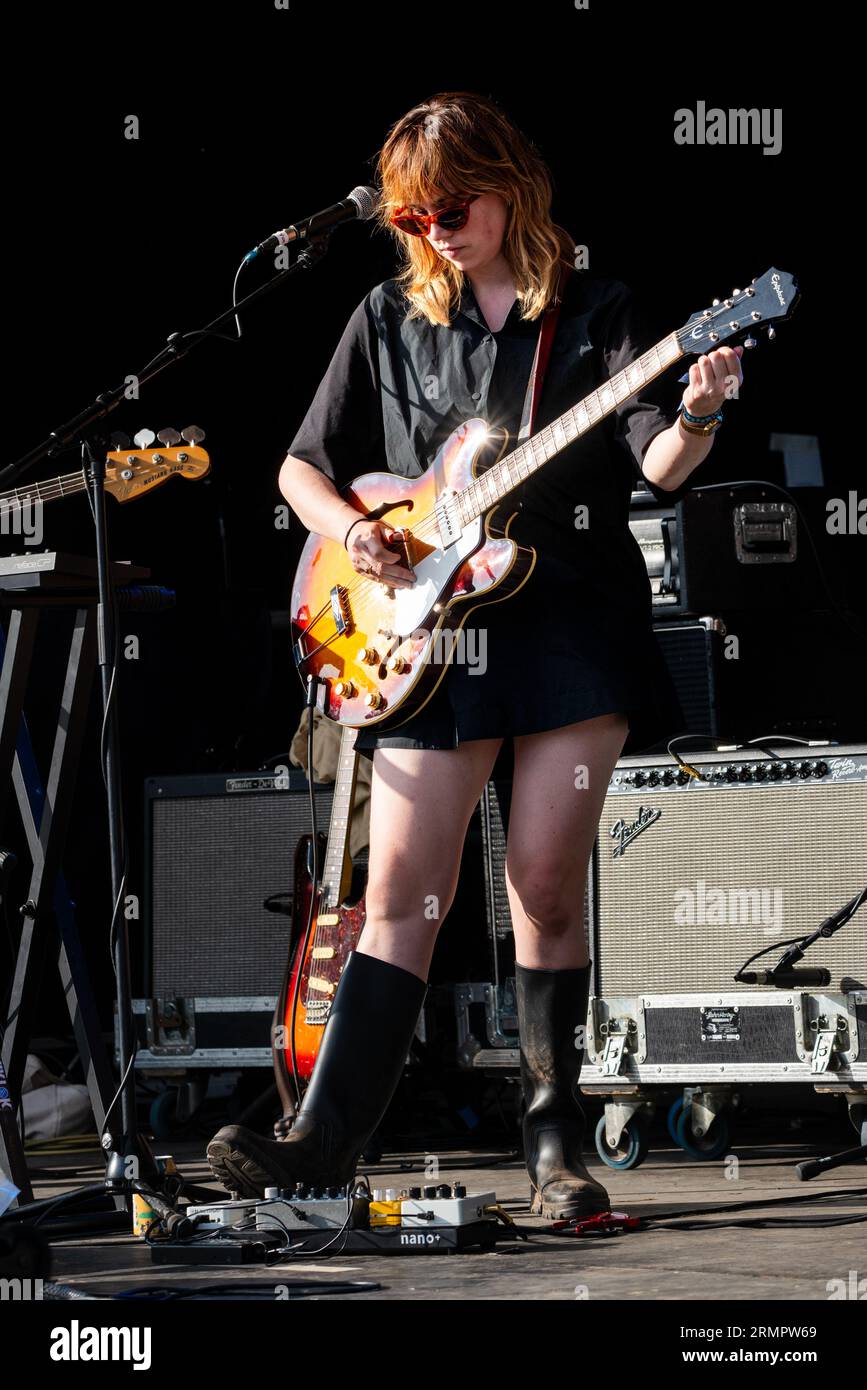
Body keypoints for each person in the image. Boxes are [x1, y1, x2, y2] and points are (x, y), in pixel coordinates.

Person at [207, 91, 743, 1219]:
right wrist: (354, 531)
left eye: (450, 207)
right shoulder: (384, 320)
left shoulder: (596, 310)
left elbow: (658, 470)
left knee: (541, 883)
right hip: (429, 633)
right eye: (409, 218)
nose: (433, 230)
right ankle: (323, 1142)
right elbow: (302, 467)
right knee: (404, 889)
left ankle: (555, 1148)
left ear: (510, 187)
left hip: (568, 629)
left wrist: (695, 410)